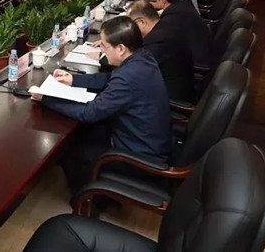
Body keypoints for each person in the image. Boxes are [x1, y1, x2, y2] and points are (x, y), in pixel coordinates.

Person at [32, 16, 171, 194]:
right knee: (84, 131)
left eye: (104, 46)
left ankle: (88, 198)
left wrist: (47, 98)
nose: (102, 51)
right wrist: (74, 79)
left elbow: (89, 113)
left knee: (70, 149)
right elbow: (109, 78)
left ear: (121, 49)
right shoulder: (142, 57)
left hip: (139, 156)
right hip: (148, 141)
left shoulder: (128, 77)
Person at [128, 1, 195, 103]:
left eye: (130, 25)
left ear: (142, 22)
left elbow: (133, 70)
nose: (128, 29)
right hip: (180, 86)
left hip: (168, 99)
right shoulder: (167, 25)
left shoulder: (157, 42)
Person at [154, 0, 212, 67]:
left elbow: (158, 40)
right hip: (200, 54)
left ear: (163, 0)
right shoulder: (184, 6)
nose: (155, 0)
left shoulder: (174, 17)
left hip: (194, 64)